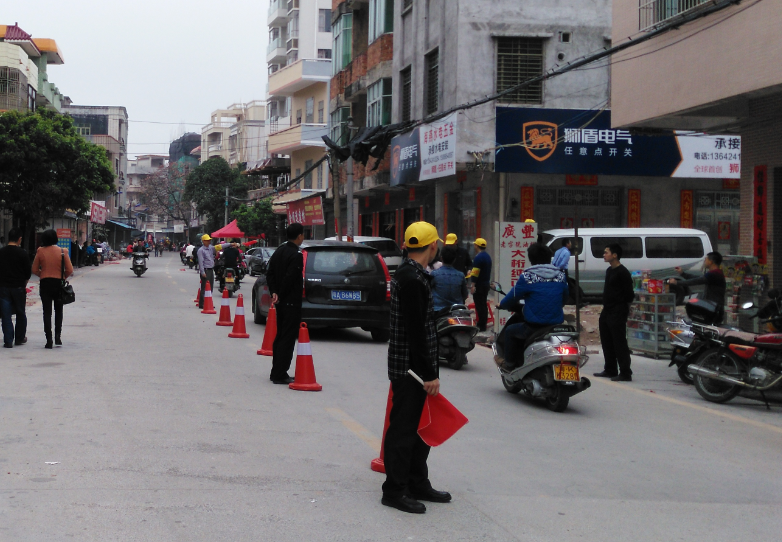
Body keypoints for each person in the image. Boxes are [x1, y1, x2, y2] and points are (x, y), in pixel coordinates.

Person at [382, 221, 450, 515]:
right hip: (410, 369)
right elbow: (416, 332)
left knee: (420, 429)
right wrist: (429, 373)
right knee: (404, 430)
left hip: (415, 367)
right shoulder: (411, 278)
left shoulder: (413, 273)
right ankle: (395, 490)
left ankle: (417, 482)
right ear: (433, 246)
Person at [495, 243, 568, 371]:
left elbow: (513, 296)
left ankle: (509, 363)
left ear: (531, 259)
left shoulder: (527, 277)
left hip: (534, 326)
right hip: (555, 325)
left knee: (510, 331)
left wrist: (501, 305)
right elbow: (564, 298)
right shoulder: (561, 276)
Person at [266, 224, 305, 384]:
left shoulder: (279, 251)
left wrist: (274, 292)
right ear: (299, 236)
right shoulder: (296, 255)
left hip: (281, 302)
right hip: (291, 302)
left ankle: (277, 370)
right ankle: (280, 373)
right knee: (287, 338)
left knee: (280, 335)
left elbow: (270, 273)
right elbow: (290, 278)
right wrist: (280, 293)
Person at [594, 243, 635, 382]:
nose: (604, 255)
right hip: (607, 310)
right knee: (607, 340)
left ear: (615, 255)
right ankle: (610, 369)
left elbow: (629, 294)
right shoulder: (609, 271)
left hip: (618, 310)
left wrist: (622, 308)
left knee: (619, 341)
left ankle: (625, 372)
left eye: (606, 252)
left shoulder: (623, 272)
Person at [31, 229, 74, 349]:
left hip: (45, 283)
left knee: (47, 312)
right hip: (58, 283)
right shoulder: (63, 251)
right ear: (56, 238)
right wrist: (62, 277)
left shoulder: (40, 251)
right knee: (58, 310)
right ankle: (58, 337)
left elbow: (34, 269)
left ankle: (48, 340)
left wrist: (43, 274)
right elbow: (70, 270)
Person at [668, 252, 725, 323]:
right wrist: (683, 274)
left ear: (711, 262)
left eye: (706, 259)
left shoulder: (714, 274)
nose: (704, 261)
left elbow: (695, 281)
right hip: (713, 307)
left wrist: (677, 282)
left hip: (714, 308)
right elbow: (697, 278)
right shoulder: (715, 273)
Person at [0, 228, 31, 348]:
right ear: (19, 239)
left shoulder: (1, 252)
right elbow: (27, 273)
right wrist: (24, 284)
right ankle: (19, 338)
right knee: (20, 313)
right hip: (18, 287)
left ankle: (8, 340)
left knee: (6, 315)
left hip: (3, 287)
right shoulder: (22, 253)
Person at [430, 245, 468, 313]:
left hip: (438, 311)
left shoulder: (434, 274)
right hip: (457, 310)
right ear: (454, 259)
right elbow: (465, 295)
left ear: (441, 258)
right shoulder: (461, 275)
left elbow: (429, 292)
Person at [469, 238, 492, 332]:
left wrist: (473, 285)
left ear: (476, 246)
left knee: (479, 306)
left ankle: (481, 325)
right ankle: (483, 324)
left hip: (479, 285)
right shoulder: (487, 256)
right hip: (486, 284)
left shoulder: (478, 258)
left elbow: (475, 273)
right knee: (483, 305)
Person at [197, 234, 216, 309]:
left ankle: (208, 303)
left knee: (210, 287)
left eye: (209, 240)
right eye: (207, 240)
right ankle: (202, 304)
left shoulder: (211, 248)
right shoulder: (201, 250)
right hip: (206, 270)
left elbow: (220, 246)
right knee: (204, 287)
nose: (209, 241)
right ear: (203, 241)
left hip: (211, 269)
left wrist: (230, 244)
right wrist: (202, 272)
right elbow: (201, 262)